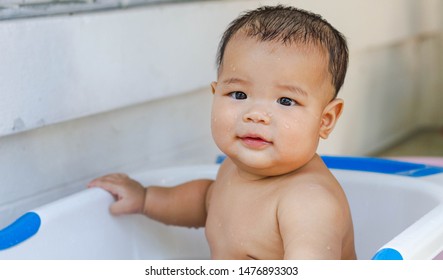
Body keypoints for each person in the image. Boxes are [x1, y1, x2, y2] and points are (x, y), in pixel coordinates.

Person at [88, 5, 356, 260]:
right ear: (215, 94)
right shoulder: (232, 169)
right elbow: (206, 202)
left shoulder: (309, 202)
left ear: (325, 120)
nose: (256, 114)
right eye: (238, 94)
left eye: (285, 101)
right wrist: (146, 199)